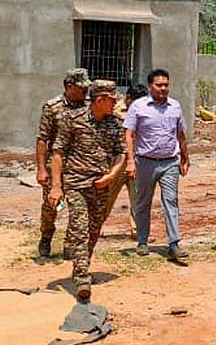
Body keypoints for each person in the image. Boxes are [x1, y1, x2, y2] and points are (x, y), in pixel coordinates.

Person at [48, 80, 125, 302]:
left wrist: (112, 175)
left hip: (101, 185)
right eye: (112, 100)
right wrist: (56, 186)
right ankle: (82, 277)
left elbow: (122, 153)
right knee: (79, 227)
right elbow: (58, 153)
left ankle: (82, 263)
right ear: (100, 99)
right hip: (75, 184)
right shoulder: (72, 120)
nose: (115, 103)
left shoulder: (115, 124)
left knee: (93, 229)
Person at [124, 69, 190, 261]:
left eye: (166, 85)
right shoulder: (138, 106)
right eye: (159, 85)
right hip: (145, 162)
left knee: (171, 201)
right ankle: (143, 242)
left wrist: (185, 157)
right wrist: (130, 160)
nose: (163, 88)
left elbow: (180, 134)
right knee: (143, 202)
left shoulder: (175, 107)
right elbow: (129, 134)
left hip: (170, 161)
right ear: (150, 87)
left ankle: (174, 244)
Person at [35, 68, 91, 257]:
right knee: (52, 205)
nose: (85, 92)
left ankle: (71, 243)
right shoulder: (53, 107)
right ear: (68, 86)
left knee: (78, 207)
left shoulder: (88, 106)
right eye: (81, 88)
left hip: (80, 166)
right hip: (56, 165)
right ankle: (46, 236)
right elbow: (42, 139)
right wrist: (41, 169)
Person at [102, 84, 147, 239]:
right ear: (128, 98)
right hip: (118, 161)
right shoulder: (115, 110)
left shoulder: (145, 110)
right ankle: (93, 227)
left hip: (136, 159)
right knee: (107, 197)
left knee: (138, 197)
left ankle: (138, 232)